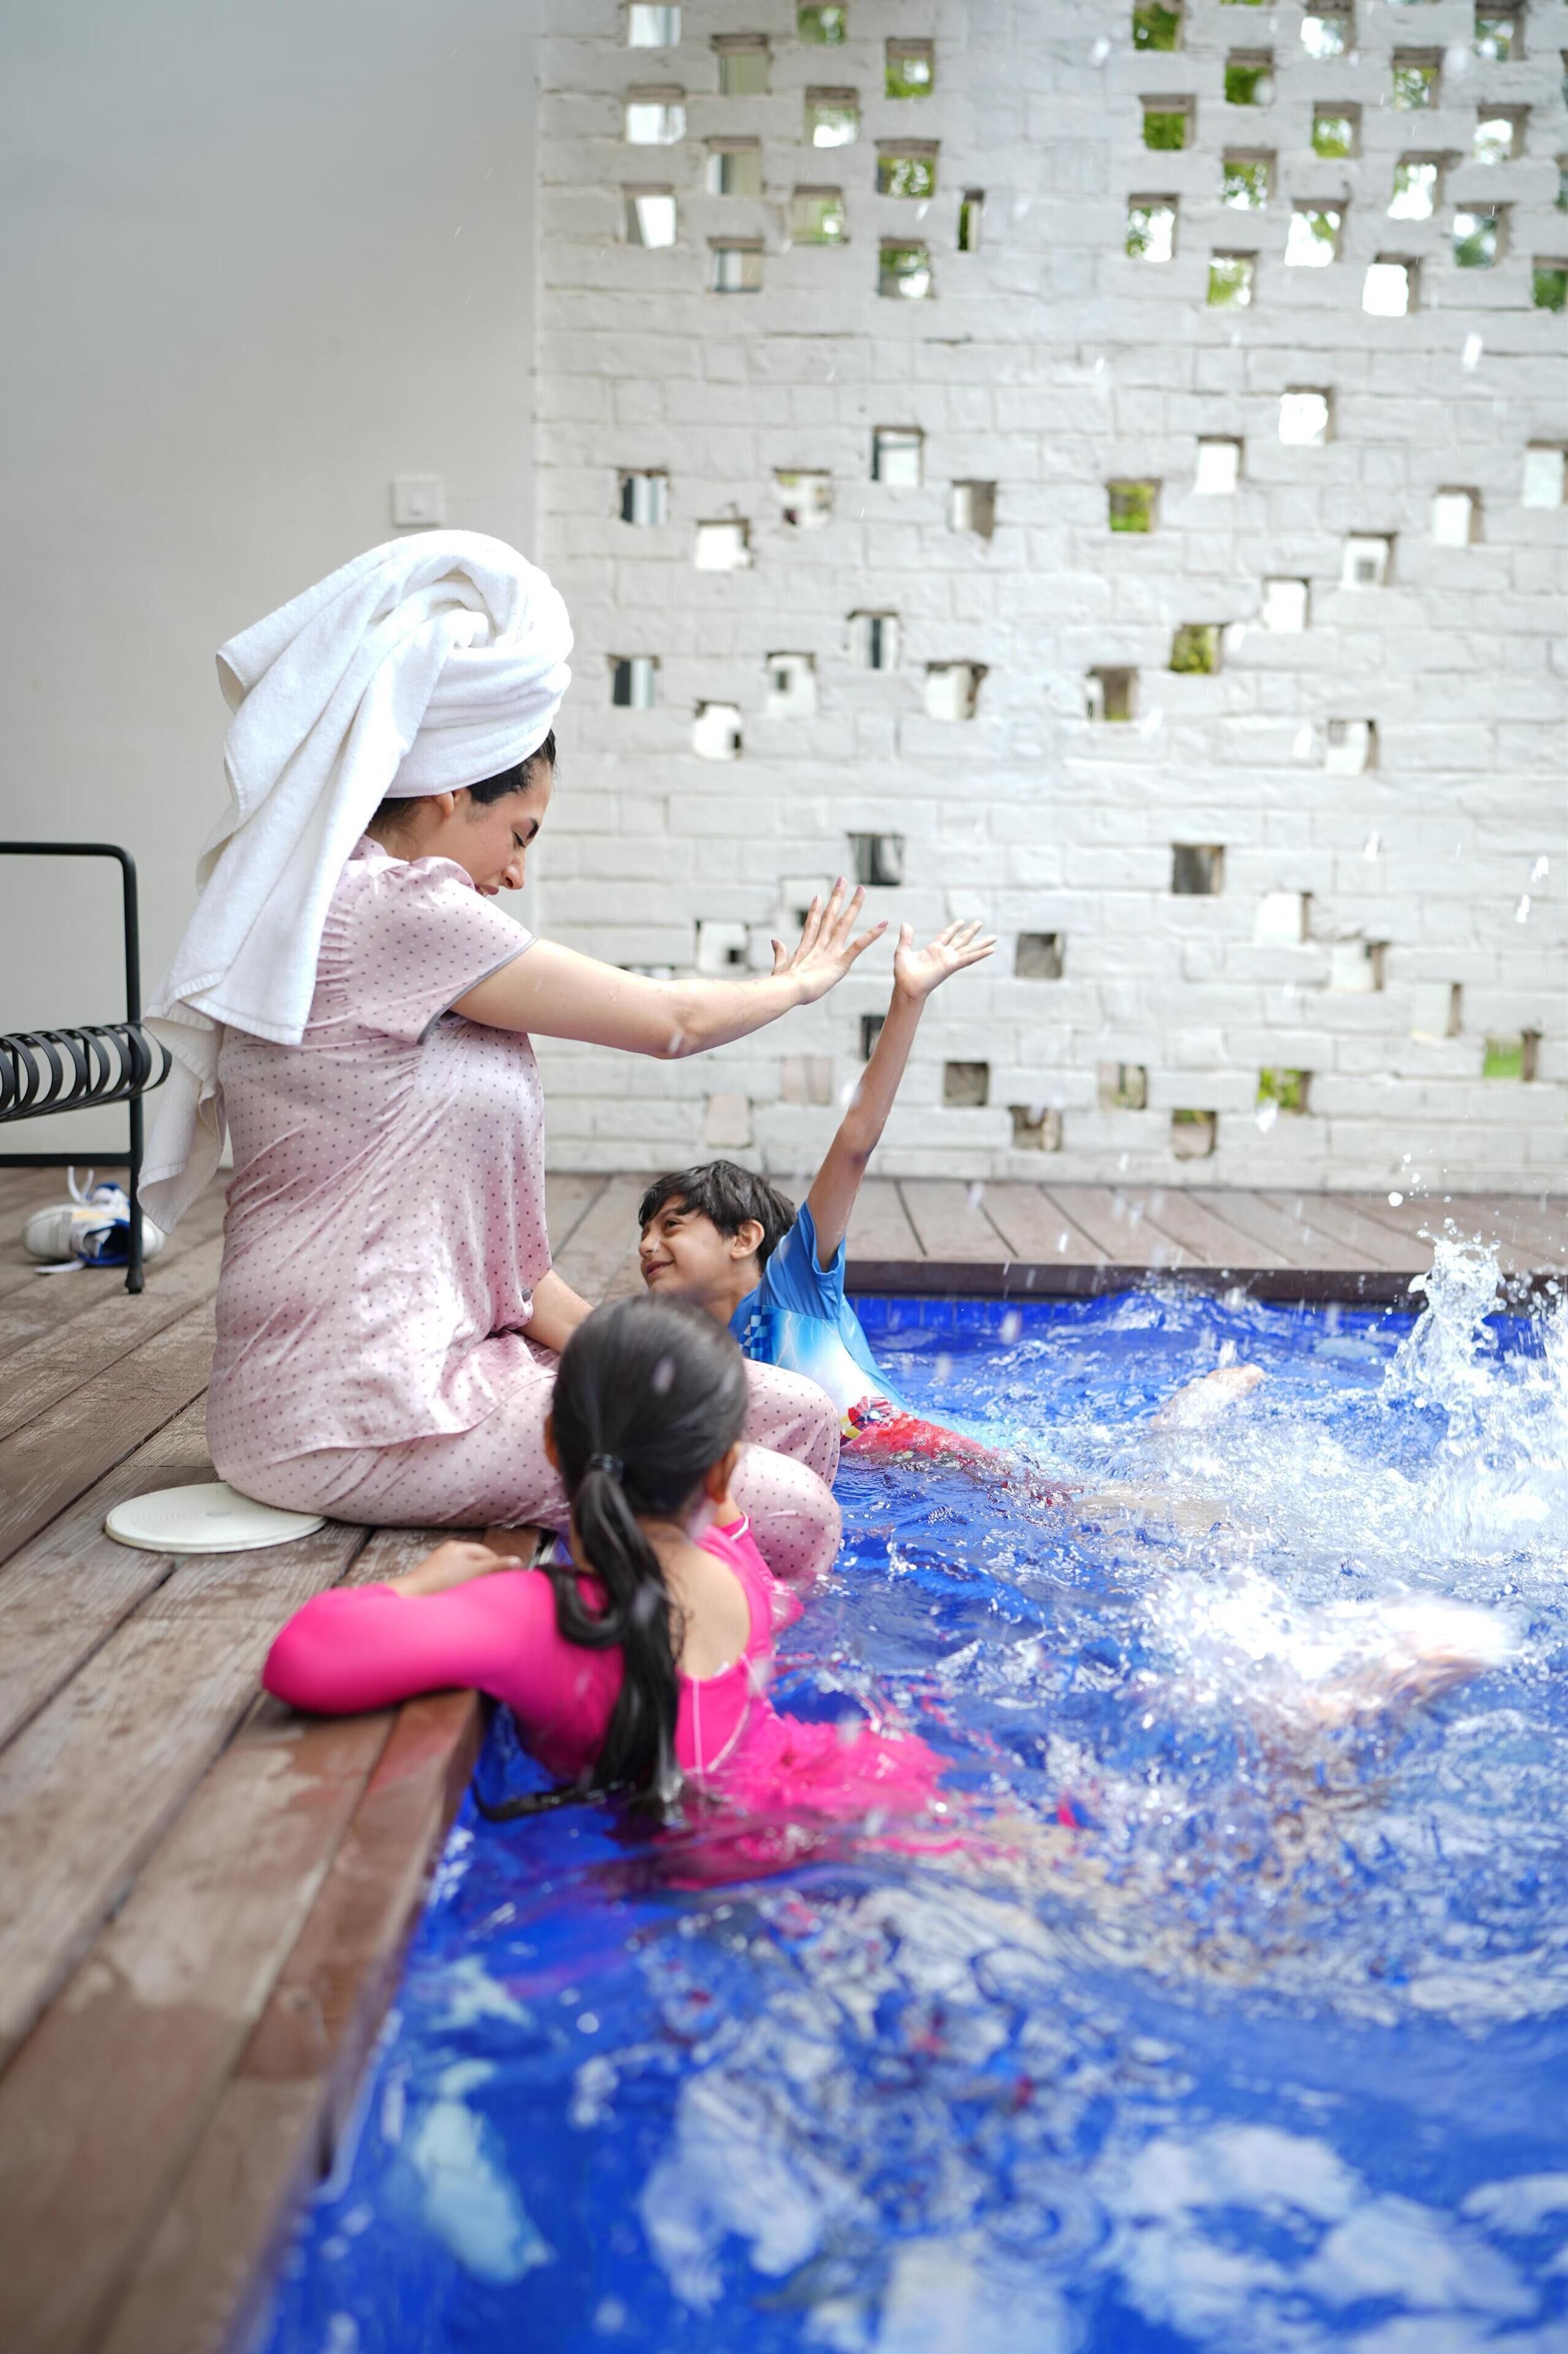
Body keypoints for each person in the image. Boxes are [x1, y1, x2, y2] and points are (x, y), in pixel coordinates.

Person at [142, 534, 885, 1582]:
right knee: (788, 1505)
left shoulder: (411, 945)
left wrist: (638, 1359)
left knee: (795, 1410)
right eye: (521, 832)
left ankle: (703, 1644)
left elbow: (510, 1270)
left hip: (451, 1366)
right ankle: (703, 1716)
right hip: (351, 1406)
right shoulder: (391, 908)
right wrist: (798, 984)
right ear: (448, 794)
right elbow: (669, 1021)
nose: (520, 872)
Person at [263, 1297, 949, 1853]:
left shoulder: (535, 1616)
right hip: (815, 1790)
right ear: (719, 1474)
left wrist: (423, 1583)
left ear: (551, 1442)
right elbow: (771, 1597)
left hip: (686, 1865)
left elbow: (303, 1658)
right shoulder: (737, 1564)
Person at [637, 919, 1010, 1467]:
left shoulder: (795, 1285)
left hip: (935, 1459)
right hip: (865, 1485)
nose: (647, 1246)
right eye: (645, 1232)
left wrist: (907, 999)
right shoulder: (708, 1361)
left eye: (671, 1226)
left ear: (745, 1238)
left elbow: (857, 1140)